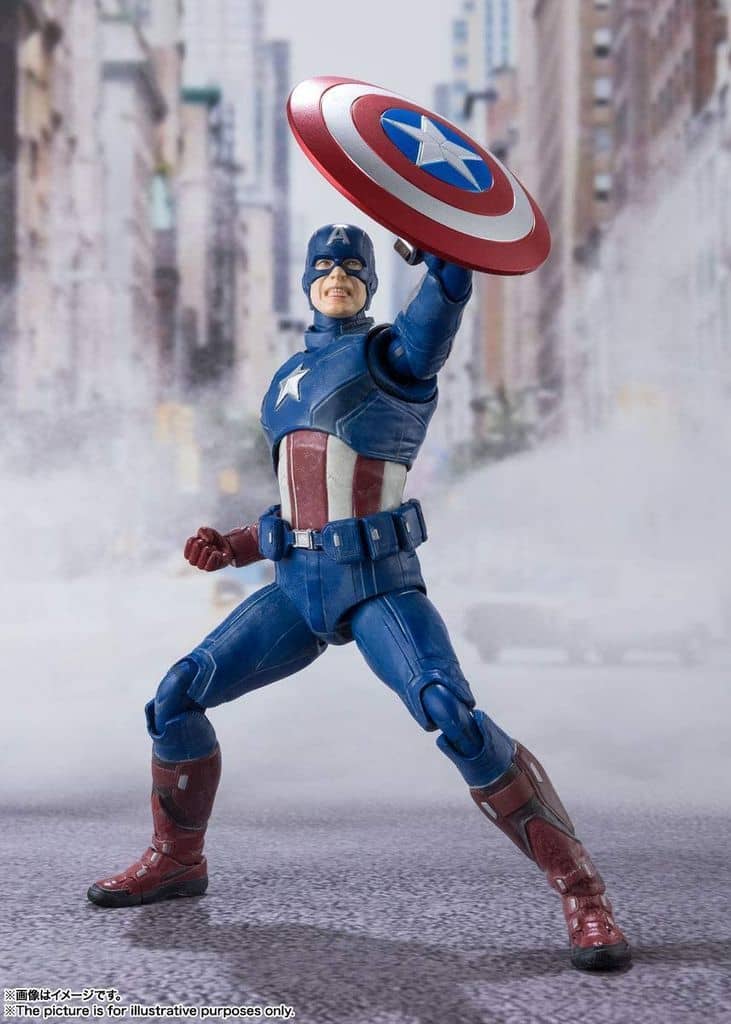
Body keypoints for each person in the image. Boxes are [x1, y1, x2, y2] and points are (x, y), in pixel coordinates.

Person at [88, 224, 631, 972]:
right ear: (306, 281)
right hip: (295, 588)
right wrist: (238, 543)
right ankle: (177, 859)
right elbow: (305, 496)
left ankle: (582, 892)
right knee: (175, 697)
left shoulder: (390, 356)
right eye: (324, 266)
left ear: (371, 282)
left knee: (451, 714)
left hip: (378, 585)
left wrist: (449, 264)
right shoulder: (287, 377)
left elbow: (436, 315)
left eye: (352, 267)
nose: (337, 276)